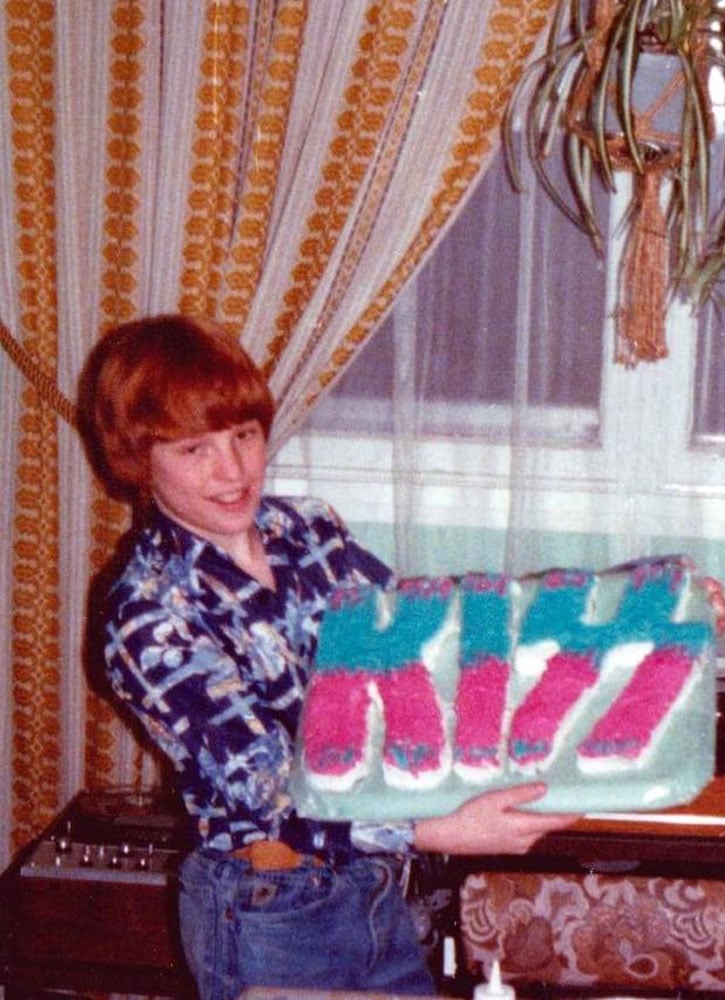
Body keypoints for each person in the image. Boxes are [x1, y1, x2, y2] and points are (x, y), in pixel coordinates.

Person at [78, 314, 578, 1000]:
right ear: (137, 461)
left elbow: (430, 626)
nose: (234, 470)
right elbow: (272, 790)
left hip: (376, 889)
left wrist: (642, 611)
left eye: (244, 435)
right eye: (195, 449)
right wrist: (440, 829)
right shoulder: (146, 617)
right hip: (274, 913)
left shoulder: (303, 528)